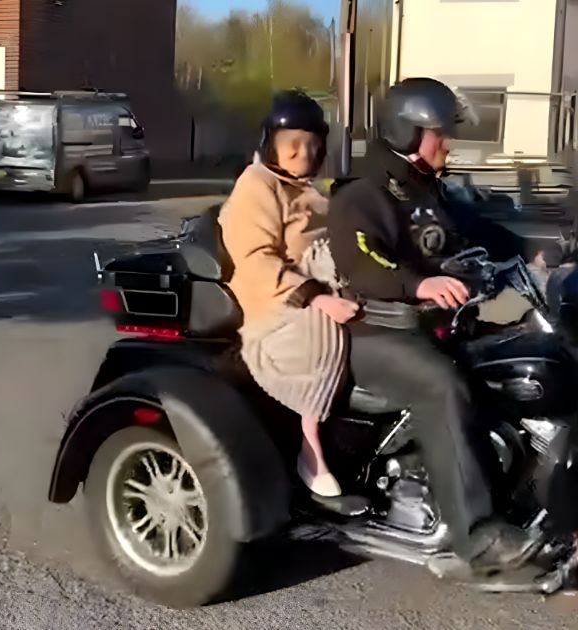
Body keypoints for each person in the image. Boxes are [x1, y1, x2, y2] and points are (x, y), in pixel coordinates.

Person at [327, 77, 549, 573]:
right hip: (376, 332)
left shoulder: (428, 192)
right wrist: (418, 285)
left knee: (518, 363)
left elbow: (477, 230)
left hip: (433, 327)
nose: (447, 141)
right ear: (407, 133)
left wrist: (535, 251)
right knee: (441, 384)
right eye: (438, 132)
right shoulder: (363, 195)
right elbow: (361, 260)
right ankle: (476, 536)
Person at [218, 91, 362, 507]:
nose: (304, 154)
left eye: (313, 146)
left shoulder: (309, 189)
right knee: (327, 329)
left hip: (322, 282)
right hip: (271, 304)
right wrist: (316, 297)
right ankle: (310, 444)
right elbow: (255, 260)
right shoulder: (257, 186)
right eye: (293, 144)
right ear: (271, 143)